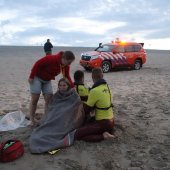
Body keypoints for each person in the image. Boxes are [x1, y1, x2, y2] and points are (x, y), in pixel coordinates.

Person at [29, 78, 85, 153]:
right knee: (36, 137)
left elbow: (77, 109)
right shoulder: (56, 95)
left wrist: (65, 112)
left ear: (68, 86)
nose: (62, 87)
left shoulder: (74, 95)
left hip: (66, 121)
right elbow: (51, 107)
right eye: (60, 86)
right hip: (54, 118)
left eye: (64, 85)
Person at [28, 51, 75, 126]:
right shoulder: (51, 58)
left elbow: (66, 76)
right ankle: (32, 119)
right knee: (35, 98)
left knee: (49, 99)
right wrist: (31, 77)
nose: (69, 64)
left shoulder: (66, 66)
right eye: (69, 62)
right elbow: (37, 64)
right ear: (64, 59)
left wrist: (73, 87)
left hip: (47, 80)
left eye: (70, 63)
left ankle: (46, 118)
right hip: (37, 77)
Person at [74, 67, 115, 142]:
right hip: (111, 121)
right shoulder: (107, 87)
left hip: (103, 123)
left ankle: (103, 136)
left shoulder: (94, 90)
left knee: (77, 134)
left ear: (92, 78)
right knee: (89, 124)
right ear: (102, 76)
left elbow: (86, 110)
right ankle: (106, 132)